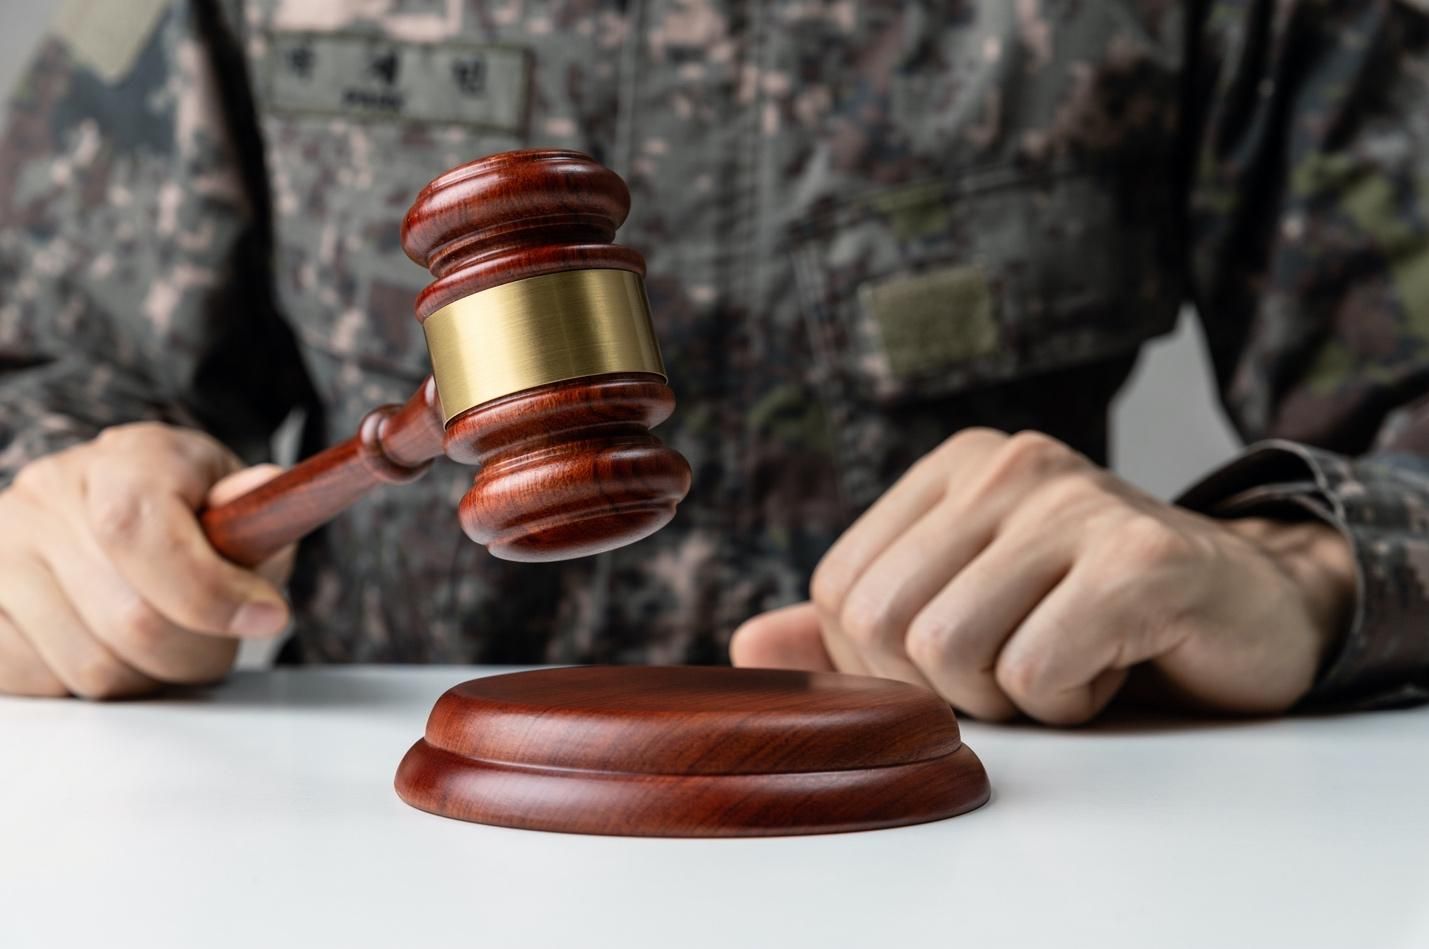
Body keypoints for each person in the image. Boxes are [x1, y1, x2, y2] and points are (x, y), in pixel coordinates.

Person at [1, 0, 1426, 724]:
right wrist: (63, 526)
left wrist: (1299, 577)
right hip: (364, 857)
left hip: (993, 843)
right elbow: (44, 373)